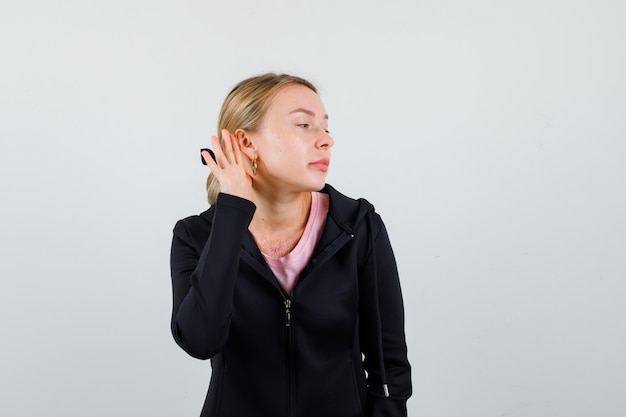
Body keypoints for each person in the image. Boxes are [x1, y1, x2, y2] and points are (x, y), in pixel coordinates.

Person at [169, 73, 412, 417]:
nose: (326, 140)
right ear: (246, 143)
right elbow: (200, 340)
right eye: (304, 125)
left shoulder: (358, 227)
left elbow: (389, 371)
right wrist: (232, 212)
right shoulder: (196, 236)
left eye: (325, 127)